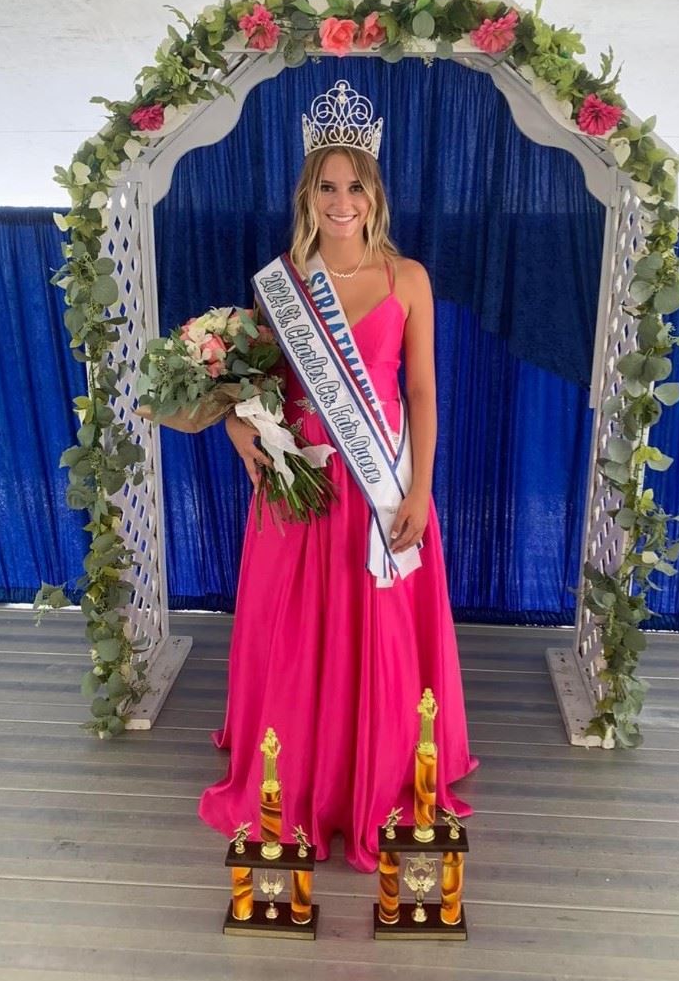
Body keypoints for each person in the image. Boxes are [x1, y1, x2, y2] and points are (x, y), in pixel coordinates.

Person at [198, 79, 477, 873]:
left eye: (355, 185)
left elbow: (419, 391)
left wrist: (420, 488)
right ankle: (302, 783)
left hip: (380, 487)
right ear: (308, 192)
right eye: (327, 185)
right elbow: (244, 389)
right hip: (303, 489)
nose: (341, 199)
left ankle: (375, 775)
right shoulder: (276, 285)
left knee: (377, 642)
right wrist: (233, 428)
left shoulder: (408, 278)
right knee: (298, 644)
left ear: (374, 193)